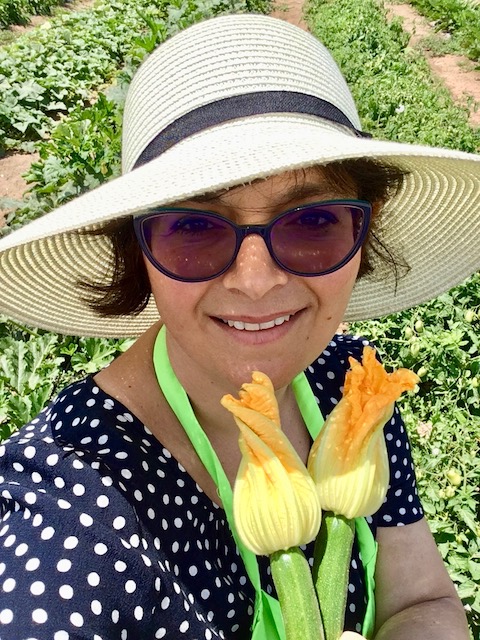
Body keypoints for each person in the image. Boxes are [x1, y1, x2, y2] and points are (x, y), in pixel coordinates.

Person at [0, 12, 478, 640]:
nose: (256, 282)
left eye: (312, 222)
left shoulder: (345, 383)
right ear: (137, 250)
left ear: (367, 230)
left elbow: (421, 600)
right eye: (193, 229)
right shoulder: (70, 522)